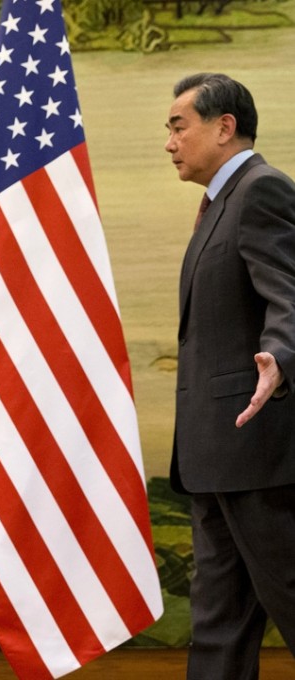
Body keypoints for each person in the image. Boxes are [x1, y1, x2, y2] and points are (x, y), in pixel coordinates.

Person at [165, 72, 295, 678]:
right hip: (215, 456)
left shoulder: (262, 189)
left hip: (259, 452)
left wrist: (280, 357)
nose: (169, 142)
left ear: (224, 127)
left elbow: (290, 295)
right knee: (218, 624)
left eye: (178, 126)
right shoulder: (222, 202)